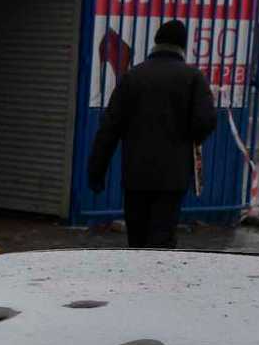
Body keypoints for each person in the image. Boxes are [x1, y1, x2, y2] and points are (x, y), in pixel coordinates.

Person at [87, 19, 219, 249]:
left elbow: (109, 128)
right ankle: (157, 283)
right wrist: (186, 135)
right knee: (162, 239)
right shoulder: (193, 78)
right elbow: (205, 121)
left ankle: (136, 282)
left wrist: (96, 171)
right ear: (182, 46)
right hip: (173, 178)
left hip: (136, 175)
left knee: (137, 239)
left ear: (156, 42)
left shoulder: (133, 77)